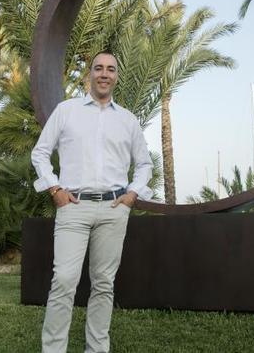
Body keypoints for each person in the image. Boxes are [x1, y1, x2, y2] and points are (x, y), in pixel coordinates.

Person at [31, 51, 153, 353]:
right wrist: (55, 188)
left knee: (103, 284)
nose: (104, 74)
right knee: (64, 280)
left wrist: (132, 195)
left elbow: (145, 164)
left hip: (114, 209)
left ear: (116, 76)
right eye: (98, 68)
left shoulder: (127, 120)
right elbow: (40, 153)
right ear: (90, 74)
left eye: (110, 69)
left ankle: (97, 350)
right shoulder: (66, 111)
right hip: (73, 207)